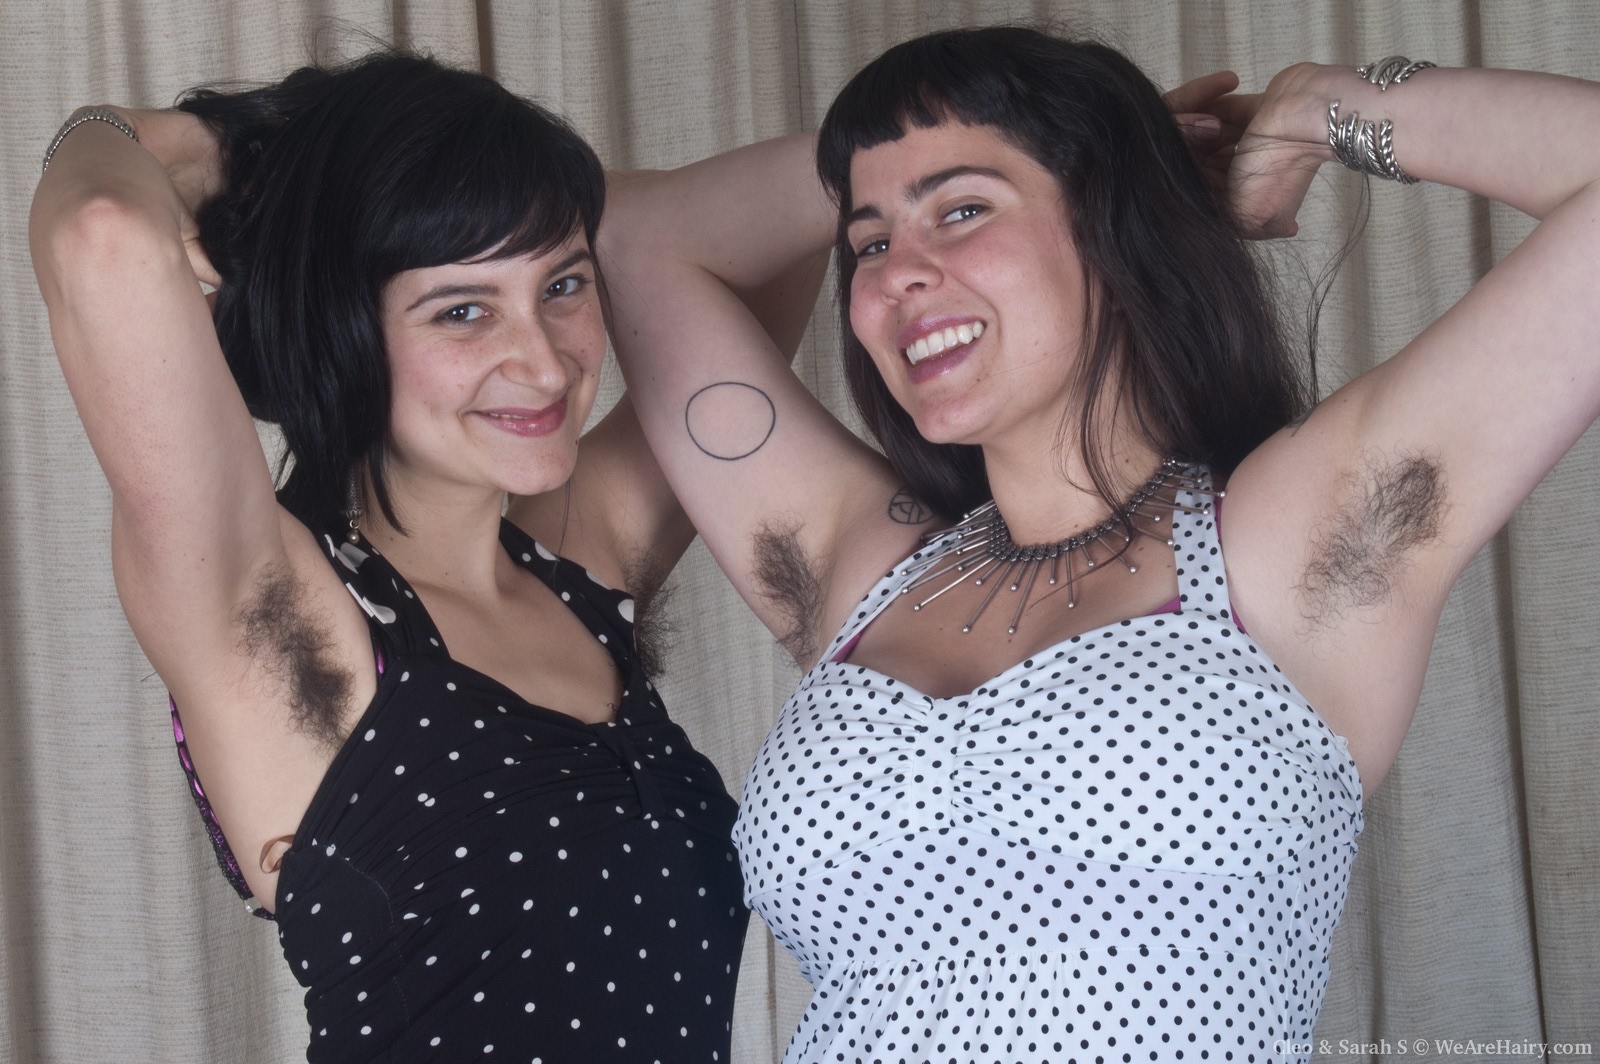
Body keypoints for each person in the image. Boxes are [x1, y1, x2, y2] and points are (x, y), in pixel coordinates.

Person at [598, 26, 1600, 1064]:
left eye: (963, 211)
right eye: (871, 243)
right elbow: (625, 242)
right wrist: (890, 157)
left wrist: (1318, 110)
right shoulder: (864, 572)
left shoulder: (1294, 539)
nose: (899, 275)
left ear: (1112, 225)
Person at [28, 51, 827, 1062]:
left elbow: (828, 191)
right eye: (462, 309)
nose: (545, 360)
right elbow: (104, 233)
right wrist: (229, 148)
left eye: (562, 285)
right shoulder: (273, 608)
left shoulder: (581, 563)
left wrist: (521, 194)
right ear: (339, 326)